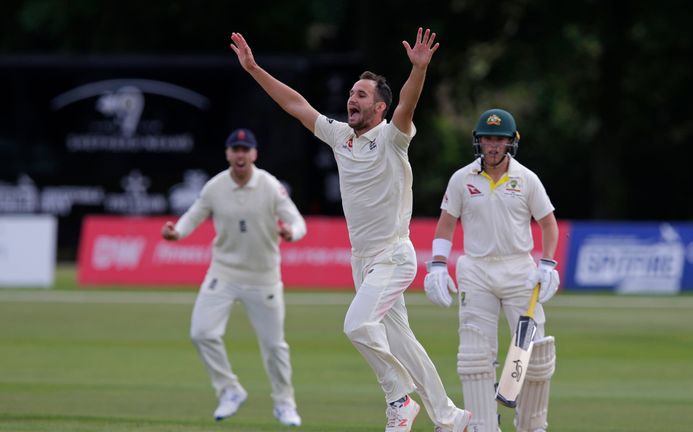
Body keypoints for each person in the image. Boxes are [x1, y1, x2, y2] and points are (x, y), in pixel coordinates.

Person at [230, 28, 472, 432]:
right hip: (362, 262)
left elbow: (407, 107)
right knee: (404, 346)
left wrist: (419, 70)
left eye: (361, 96)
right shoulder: (341, 137)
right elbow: (296, 105)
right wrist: (254, 69)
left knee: (357, 325)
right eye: (351, 94)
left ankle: (399, 399)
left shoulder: (392, 138)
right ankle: (452, 418)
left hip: (394, 256)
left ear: (379, 108)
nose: (351, 100)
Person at [423, 109, 559, 432]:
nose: (493, 146)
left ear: (511, 143)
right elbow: (446, 224)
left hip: (518, 270)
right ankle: (483, 425)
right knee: (474, 354)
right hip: (476, 272)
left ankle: (532, 425)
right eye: (487, 139)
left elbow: (549, 225)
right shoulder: (462, 179)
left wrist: (548, 263)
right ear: (478, 142)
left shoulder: (527, 179)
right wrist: (438, 266)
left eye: (499, 139)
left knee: (535, 353)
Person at [160, 128, 306, 426]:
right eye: (235, 149)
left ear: (254, 154)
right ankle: (229, 390)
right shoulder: (215, 187)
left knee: (274, 345)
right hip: (223, 273)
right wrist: (177, 232)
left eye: (245, 149)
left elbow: (296, 219)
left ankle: (284, 403)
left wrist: (292, 233)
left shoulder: (269, 185)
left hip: (263, 276)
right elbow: (193, 215)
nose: (240, 154)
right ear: (228, 154)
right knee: (202, 333)